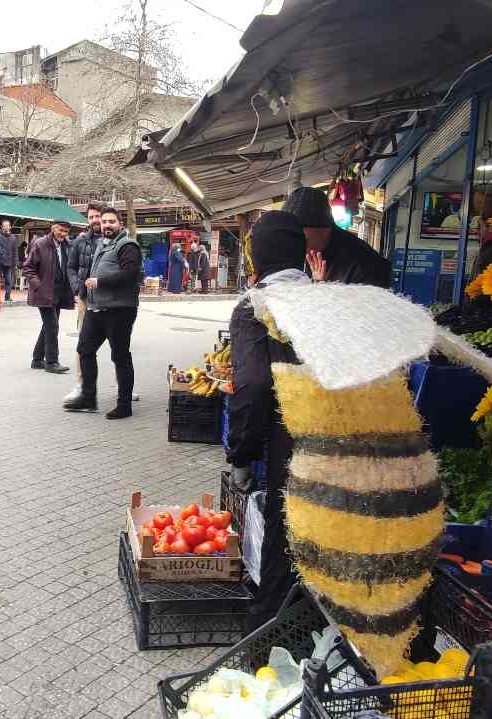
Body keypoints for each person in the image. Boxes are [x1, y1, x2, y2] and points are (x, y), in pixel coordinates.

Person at [225, 211, 309, 632]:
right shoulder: (332, 300)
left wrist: (240, 454)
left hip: (292, 442)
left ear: (255, 259)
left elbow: (254, 387)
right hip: (350, 437)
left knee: (284, 531)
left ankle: (271, 634)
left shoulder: (255, 306)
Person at [63, 207, 141, 419]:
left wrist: (100, 282)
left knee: (120, 356)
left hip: (119, 310)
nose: (107, 225)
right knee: (85, 349)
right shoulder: (102, 245)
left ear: (120, 224)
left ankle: (124, 405)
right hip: (96, 309)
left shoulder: (128, 246)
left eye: (111, 222)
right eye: (104, 221)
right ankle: (88, 397)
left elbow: (130, 274)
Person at [282, 186, 392, 287]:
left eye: (301, 238)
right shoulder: (309, 250)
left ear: (324, 228)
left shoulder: (363, 264)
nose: (294, 245)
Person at [63, 204, 105, 403]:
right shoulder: (80, 241)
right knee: (83, 344)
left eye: (98, 216)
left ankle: (124, 388)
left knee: (119, 346)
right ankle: (81, 384)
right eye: (91, 216)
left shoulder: (114, 241)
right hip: (85, 299)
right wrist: (77, 288)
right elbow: (70, 267)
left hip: (110, 300)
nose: (95, 220)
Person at [23, 221, 74, 373]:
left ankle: (37, 360)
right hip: (44, 293)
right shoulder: (40, 244)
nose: (63, 234)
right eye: (60, 230)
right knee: (52, 326)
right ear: (53, 228)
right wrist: (38, 285)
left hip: (59, 292)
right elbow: (28, 267)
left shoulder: (66, 245)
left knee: (48, 326)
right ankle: (52, 362)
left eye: (66, 231)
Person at [0, 219, 18, 301]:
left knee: (9, 280)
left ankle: (8, 296)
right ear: (2, 227)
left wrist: (15, 263)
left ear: (10, 227)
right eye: (4, 226)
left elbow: (15, 251)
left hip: (9, 263)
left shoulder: (13, 238)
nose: (5, 227)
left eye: (7, 226)